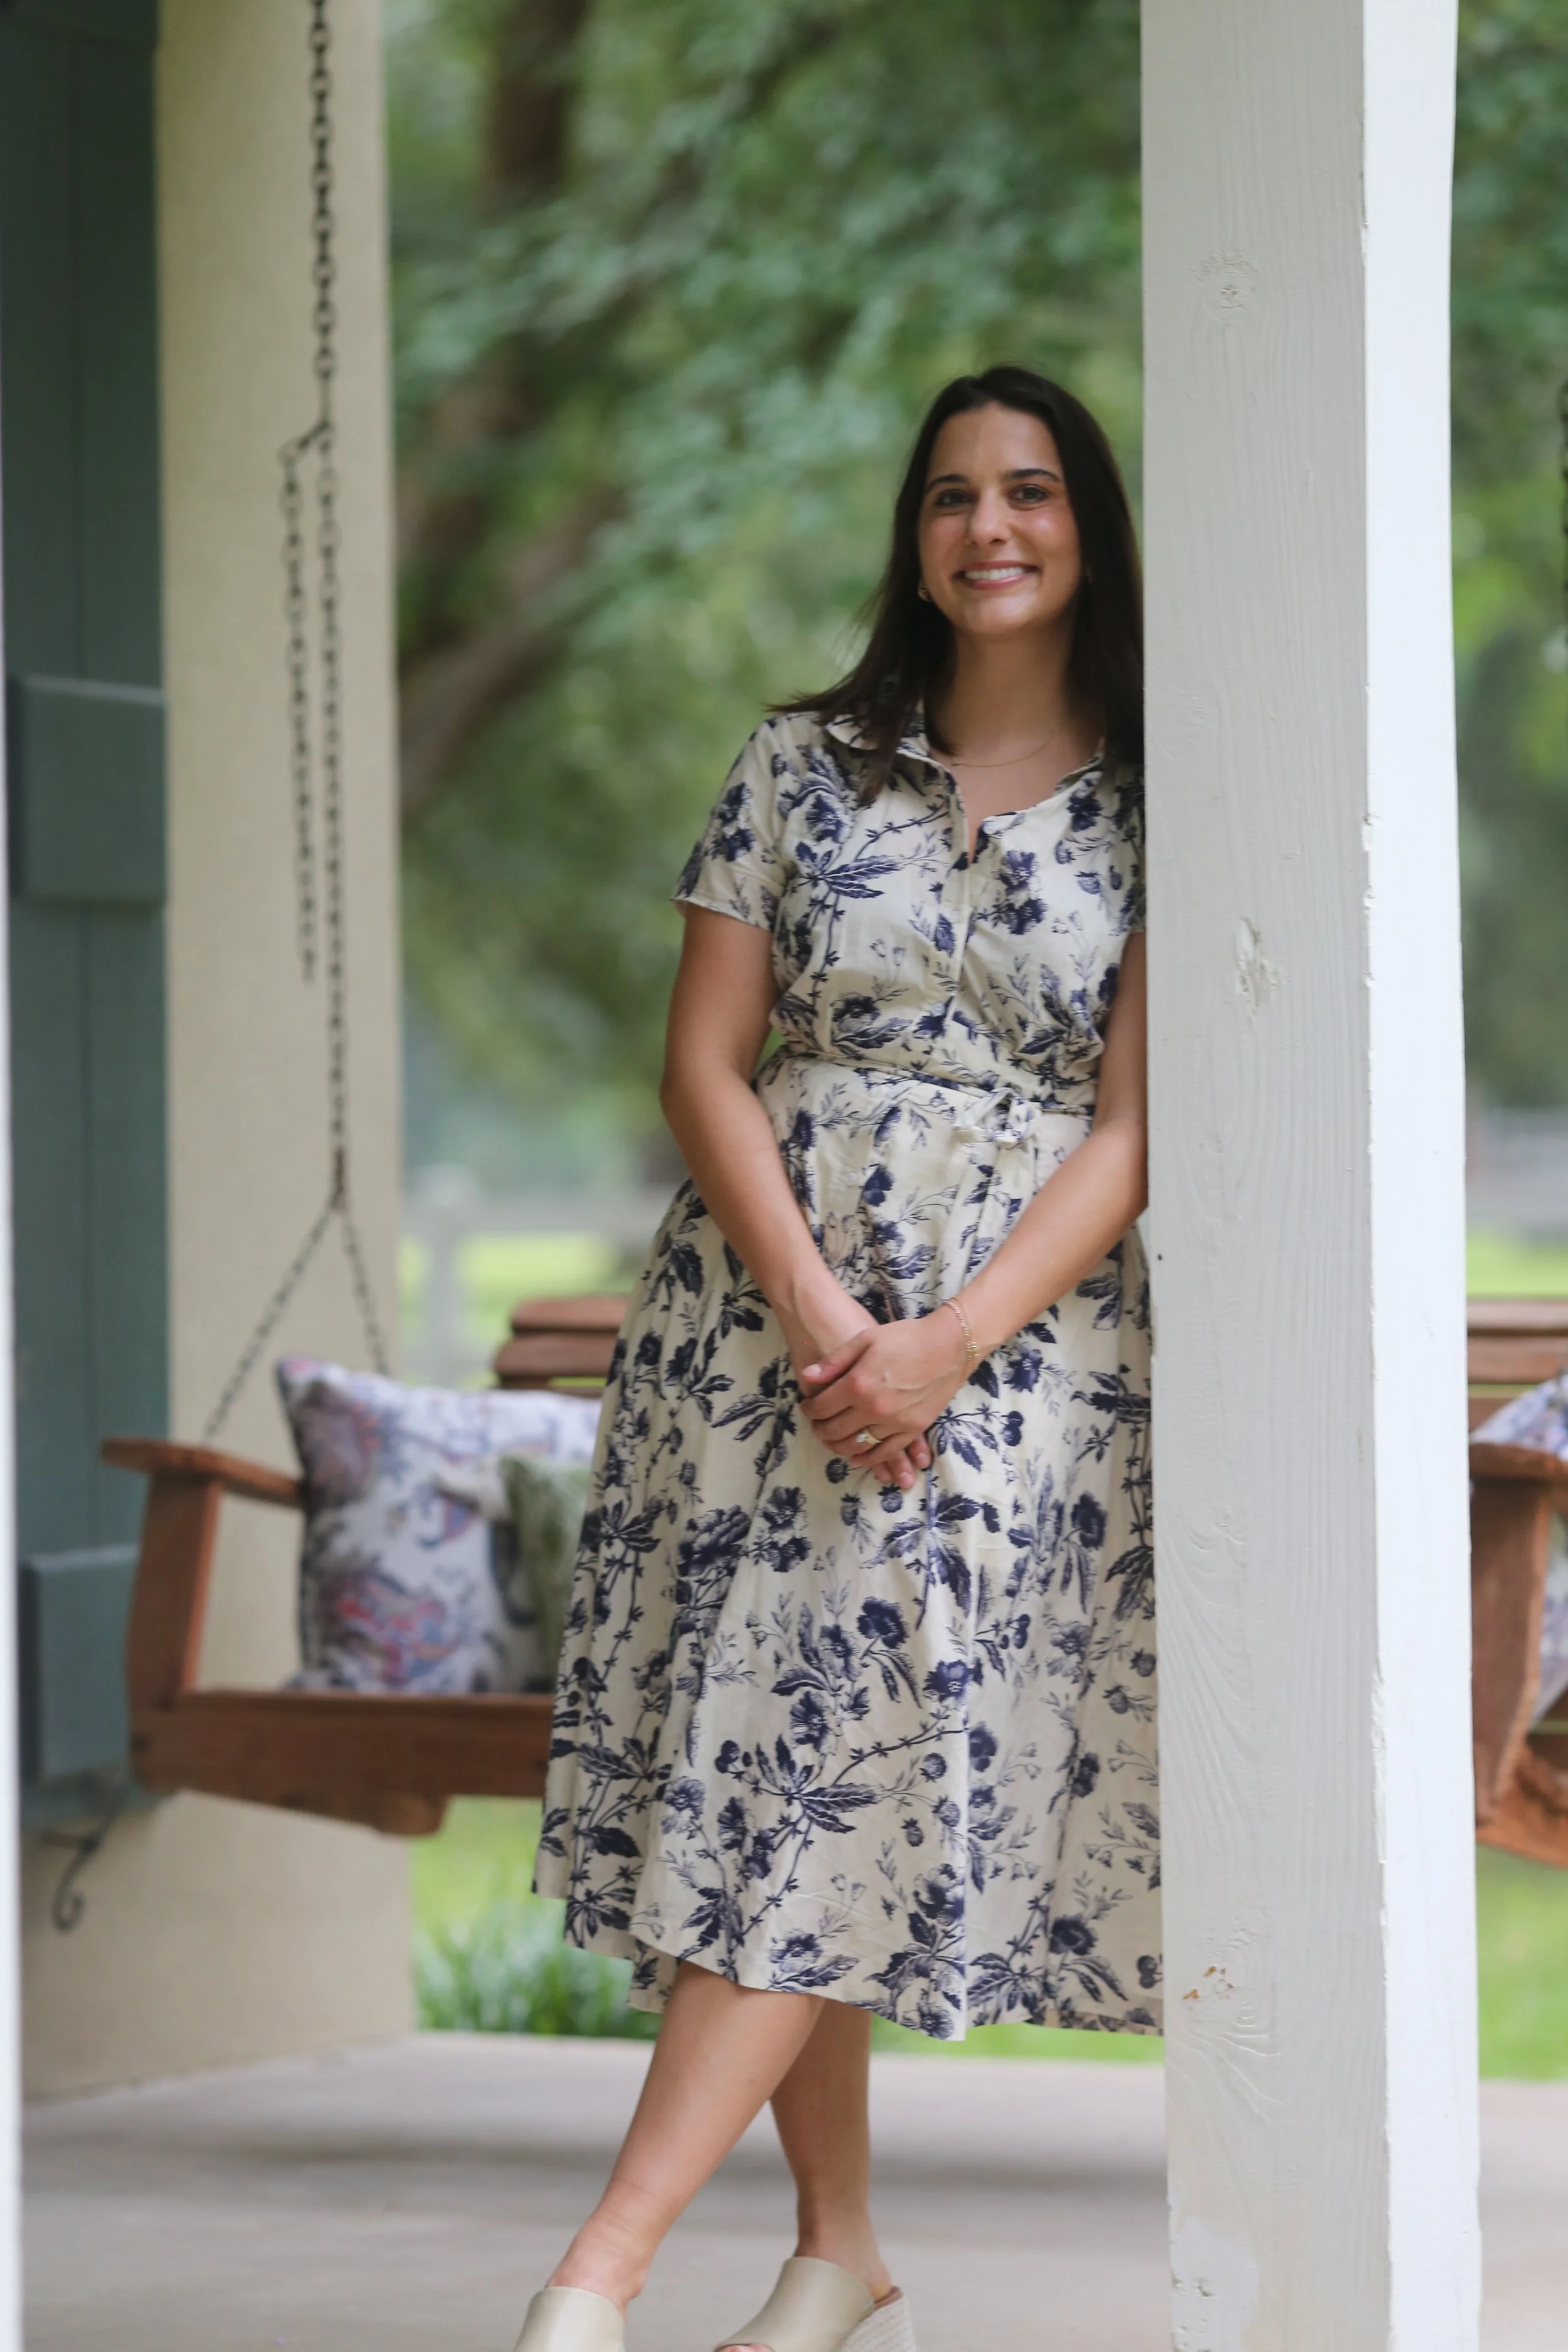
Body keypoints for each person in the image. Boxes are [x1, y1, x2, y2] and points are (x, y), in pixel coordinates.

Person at [517, 364, 1156, 2352]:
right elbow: (702, 1060)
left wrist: (943, 1342)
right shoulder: (798, 761)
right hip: (760, 1330)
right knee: (791, 1763)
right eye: (953, 493)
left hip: (1016, 1350)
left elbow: (1135, 1130)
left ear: (1084, 528)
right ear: (914, 531)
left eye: (1031, 491)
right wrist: (817, 1312)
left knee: (842, 1743)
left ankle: (590, 2279)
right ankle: (835, 2250)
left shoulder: (1166, 784)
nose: (989, 527)